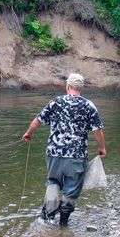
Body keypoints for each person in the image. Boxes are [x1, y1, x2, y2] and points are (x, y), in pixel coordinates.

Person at [22, 73, 106, 225]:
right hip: (76, 156)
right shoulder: (89, 106)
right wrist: (102, 148)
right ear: (81, 88)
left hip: (54, 153)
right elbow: (97, 130)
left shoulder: (55, 102)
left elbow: (38, 120)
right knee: (72, 188)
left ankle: (48, 218)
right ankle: (63, 224)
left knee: (53, 181)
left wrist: (28, 133)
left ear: (67, 86)